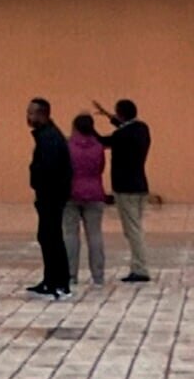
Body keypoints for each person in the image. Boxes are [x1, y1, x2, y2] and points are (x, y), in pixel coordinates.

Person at [90, 96, 153, 282]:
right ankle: (139, 265)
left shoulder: (121, 136)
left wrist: (89, 127)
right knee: (136, 228)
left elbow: (102, 141)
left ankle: (140, 269)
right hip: (141, 186)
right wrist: (108, 115)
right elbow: (125, 126)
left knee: (133, 230)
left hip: (125, 189)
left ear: (121, 114)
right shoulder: (142, 129)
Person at [25, 97, 73, 300]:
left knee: (52, 238)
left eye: (32, 113)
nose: (28, 117)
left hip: (52, 197)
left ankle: (59, 283)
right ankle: (50, 280)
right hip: (48, 196)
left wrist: (42, 186)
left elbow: (51, 170)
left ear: (43, 114)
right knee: (47, 237)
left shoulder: (50, 138)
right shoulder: (46, 136)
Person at [63, 114, 110, 288]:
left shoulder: (67, 146)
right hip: (95, 192)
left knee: (70, 234)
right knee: (95, 235)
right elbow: (100, 168)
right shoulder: (98, 147)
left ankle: (70, 274)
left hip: (71, 193)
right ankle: (98, 275)